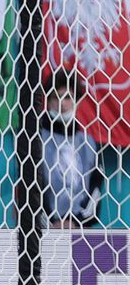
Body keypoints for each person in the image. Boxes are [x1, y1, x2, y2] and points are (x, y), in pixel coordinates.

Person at [41, 69, 102, 229]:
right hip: (44, 230)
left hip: (80, 229)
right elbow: (29, 188)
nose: (62, 103)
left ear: (76, 100)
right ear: (48, 100)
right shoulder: (36, 139)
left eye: (67, 97)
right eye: (56, 97)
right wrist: (51, 222)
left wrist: (76, 222)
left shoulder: (88, 142)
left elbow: (96, 189)